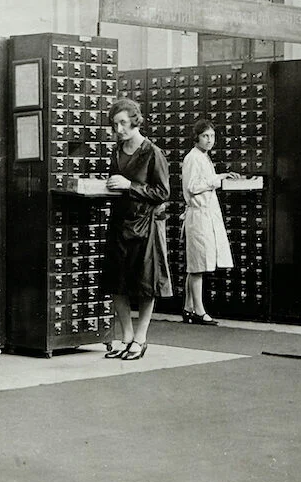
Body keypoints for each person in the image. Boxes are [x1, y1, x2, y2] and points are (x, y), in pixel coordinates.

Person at [100, 98, 173, 360]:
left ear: (135, 121)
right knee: (117, 282)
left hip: (144, 226)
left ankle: (140, 338)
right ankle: (127, 337)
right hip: (120, 223)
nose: (118, 129)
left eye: (123, 123)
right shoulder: (117, 151)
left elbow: (163, 192)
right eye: (115, 124)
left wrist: (129, 186)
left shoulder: (152, 152)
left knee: (145, 283)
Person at [181, 119, 238, 326]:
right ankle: (199, 311)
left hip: (205, 215)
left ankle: (188, 308)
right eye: (205, 136)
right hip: (198, 216)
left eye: (212, 136)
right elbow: (192, 186)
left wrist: (221, 176)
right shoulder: (192, 158)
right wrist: (217, 180)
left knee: (196, 264)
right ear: (196, 137)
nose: (209, 140)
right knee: (197, 266)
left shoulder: (203, 157)